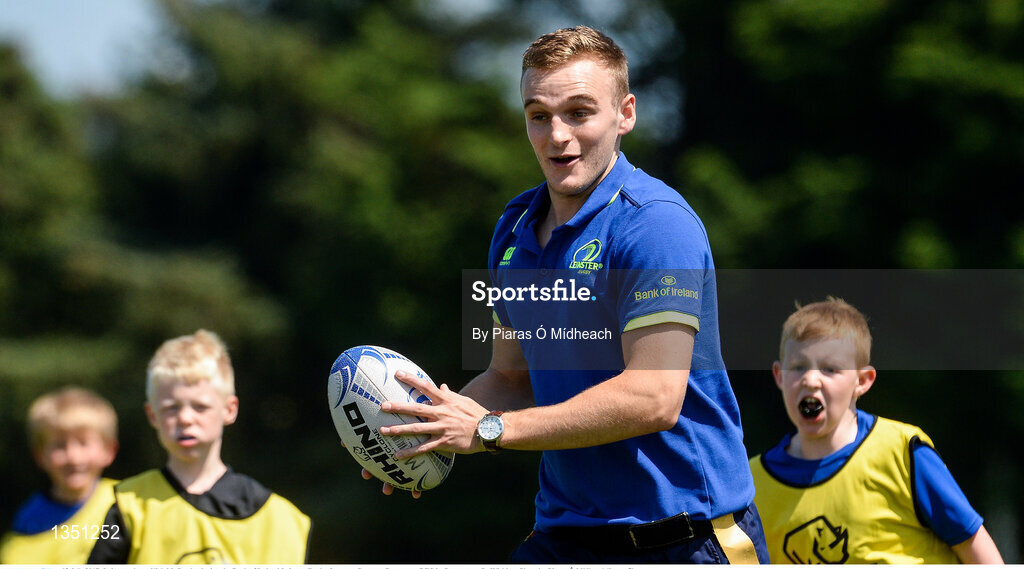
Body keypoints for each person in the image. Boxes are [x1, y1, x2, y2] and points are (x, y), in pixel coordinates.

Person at [368, 26, 769, 563]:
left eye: (579, 112)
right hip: (564, 535)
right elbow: (509, 378)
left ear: (625, 113)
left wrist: (488, 430)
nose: (557, 135)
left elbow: (654, 399)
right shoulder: (512, 229)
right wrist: (421, 433)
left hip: (683, 536)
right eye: (539, 115)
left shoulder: (655, 226)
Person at [749, 297, 1004, 564]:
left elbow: (978, 551)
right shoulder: (752, 485)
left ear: (862, 381)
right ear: (778, 376)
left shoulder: (902, 452)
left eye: (830, 369)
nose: (811, 380)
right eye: (798, 367)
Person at [87, 329, 311, 564]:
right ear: (152, 415)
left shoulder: (281, 520)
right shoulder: (129, 507)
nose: (185, 418)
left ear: (229, 409)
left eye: (200, 407)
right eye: (171, 408)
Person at [0, 387, 119, 564]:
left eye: (83, 443)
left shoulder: (125, 502)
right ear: (40, 456)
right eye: (59, 445)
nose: (73, 456)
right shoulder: (29, 520)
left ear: (109, 450)